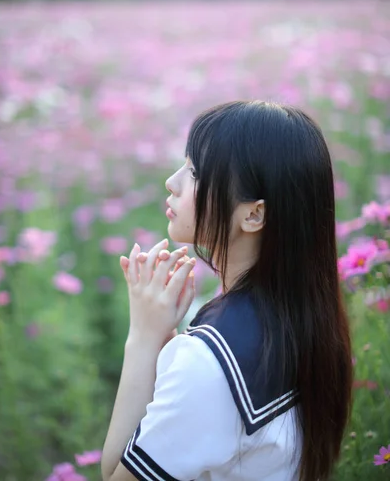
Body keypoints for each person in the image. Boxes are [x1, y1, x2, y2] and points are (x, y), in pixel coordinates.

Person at [101, 100, 354, 481]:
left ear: (253, 215)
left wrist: (144, 336)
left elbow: (114, 476)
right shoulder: (309, 322)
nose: (172, 182)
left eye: (194, 173)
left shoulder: (209, 362)